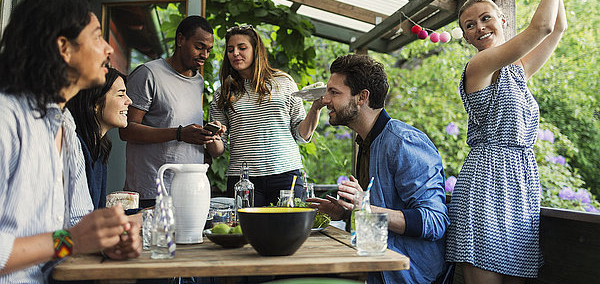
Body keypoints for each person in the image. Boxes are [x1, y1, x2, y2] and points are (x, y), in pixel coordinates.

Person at [445, 0, 566, 283]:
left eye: (486, 18)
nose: (479, 27)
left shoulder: (518, 70)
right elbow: (540, 27)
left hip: (520, 184)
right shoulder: (478, 66)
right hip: (486, 182)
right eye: (470, 25)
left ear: (502, 20)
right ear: (466, 38)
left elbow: (557, 27)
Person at [0, 0, 141, 283]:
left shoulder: (65, 123)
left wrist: (108, 241)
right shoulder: (6, 118)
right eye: (97, 37)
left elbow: (77, 224)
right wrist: (72, 241)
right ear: (64, 47)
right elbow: (69, 238)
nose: (108, 50)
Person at [309, 54, 449, 284]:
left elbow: (434, 221)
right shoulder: (365, 142)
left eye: (334, 92)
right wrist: (346, 212)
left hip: (411, 276)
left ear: (362, 97)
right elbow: (378, 210)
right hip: (377, 272)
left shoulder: (404, 142)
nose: (325, 100)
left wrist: (364, 207)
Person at [206, 25, 324, 206]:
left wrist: (315, 108)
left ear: (256, 50)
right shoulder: (223, 92)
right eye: (230, 50)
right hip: (242, 179)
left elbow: (301, 135)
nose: (235, 53)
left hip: (286, 175)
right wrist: (213, 138)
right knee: (248, 234)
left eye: (242, 48)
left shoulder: (284, 82)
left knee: (289, 233)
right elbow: (218, 150)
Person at [120, 16, 223, 208]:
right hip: (153, 189)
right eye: (199, 47)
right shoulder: (148, 74)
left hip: (189, 189)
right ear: (180, 40)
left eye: (208, 50)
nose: (205, 55)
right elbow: (126, 130)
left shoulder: (198, 82)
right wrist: (179, 133)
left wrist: (207, 135)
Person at [67, 68, 132, 209]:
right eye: (121, 95)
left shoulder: (100, 148)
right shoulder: (76, 147)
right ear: (96, 103)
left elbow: (98, 210)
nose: (129, 101)